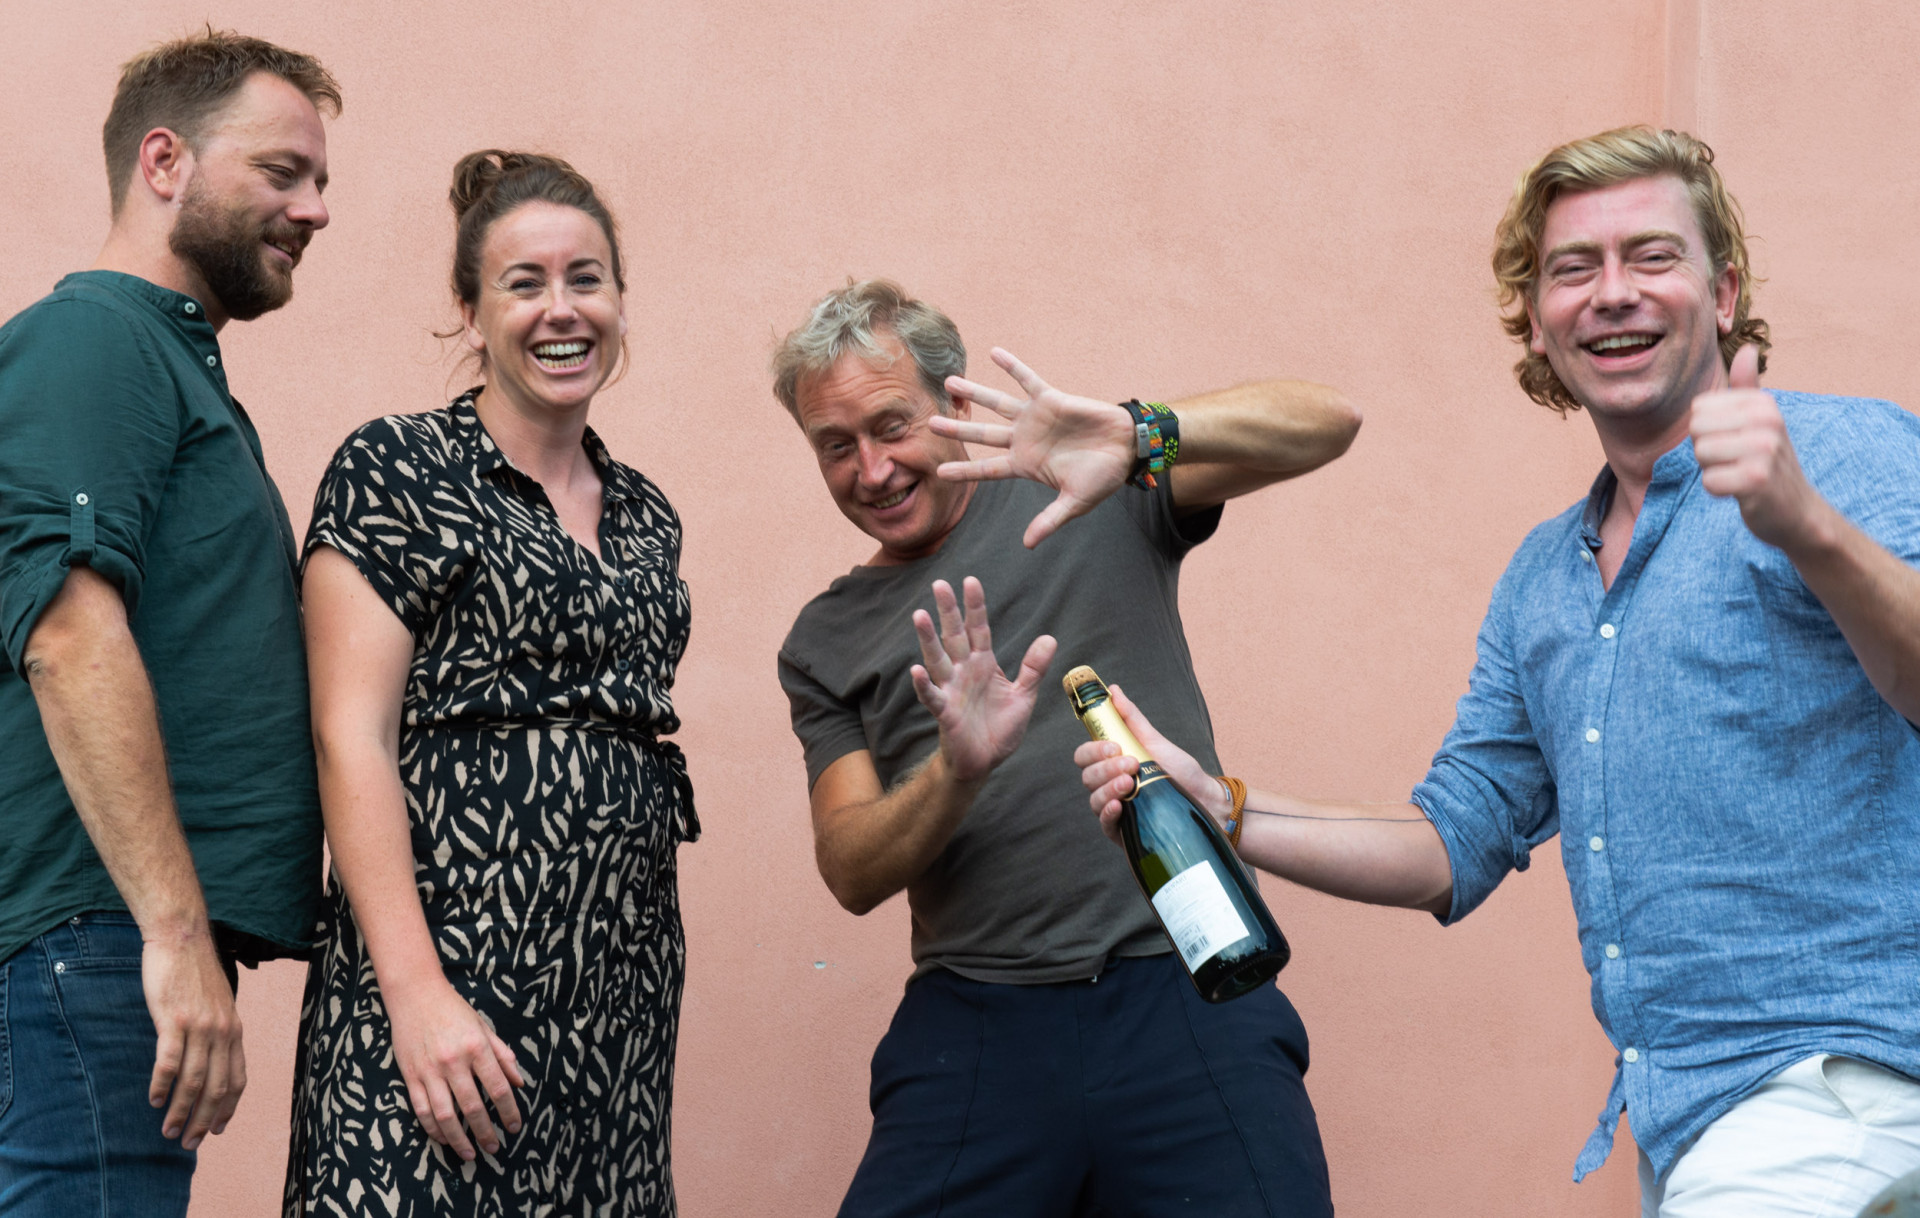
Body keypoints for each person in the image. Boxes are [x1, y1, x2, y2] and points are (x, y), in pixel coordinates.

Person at [1077, 127, 1920, 1217]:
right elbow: (1454, 839)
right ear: (1536, 320)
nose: (1612, 292)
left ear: (1724, 294)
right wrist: (1222, 810)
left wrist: (1806, 526)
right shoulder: (1543, 580)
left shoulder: (1850, 454)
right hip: (1695, 1124)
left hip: (1846, 1094)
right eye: (1574, 268)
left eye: (1652, 256)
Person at [772, 278, 1362, 1216]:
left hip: (1189, 982)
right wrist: (955, 771)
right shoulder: (825, 639)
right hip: (977, 1021)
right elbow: (850, 869)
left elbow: (1327, 422)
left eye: (892, 426)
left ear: (952, 400)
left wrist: (1134, 434)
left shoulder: (1091, 488)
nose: (872, 469)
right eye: (835, 446)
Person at [283, 152, 699, 1216]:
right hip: (449, 984)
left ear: (619, 301)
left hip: (617, 1004)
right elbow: (349, 737)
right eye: (524, 283)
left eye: (586, 279)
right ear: (469, 313)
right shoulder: (399, 467)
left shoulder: (647, 514)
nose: (562, 310)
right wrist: (417, 997)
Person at [0, 30, 338, 1215]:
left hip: (105, 944)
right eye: (282, 171)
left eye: (321, 180)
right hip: (93, 942)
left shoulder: (170, 365)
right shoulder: (92, 338)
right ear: (164, 161)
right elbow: (66, 636)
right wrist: (174, 934)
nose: (316, 208)